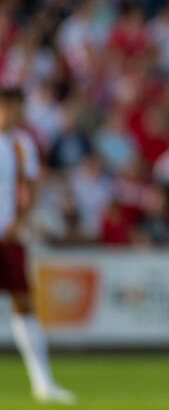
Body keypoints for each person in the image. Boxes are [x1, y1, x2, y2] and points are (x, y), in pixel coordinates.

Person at [0, 87, 76, 404]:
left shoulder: (21, 143)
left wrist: (19, 222)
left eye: (19, 107)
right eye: (11, 107)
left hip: (9, 237)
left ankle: (43, 383)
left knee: (24, 304)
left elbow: (29, 188)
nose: (16, 114)